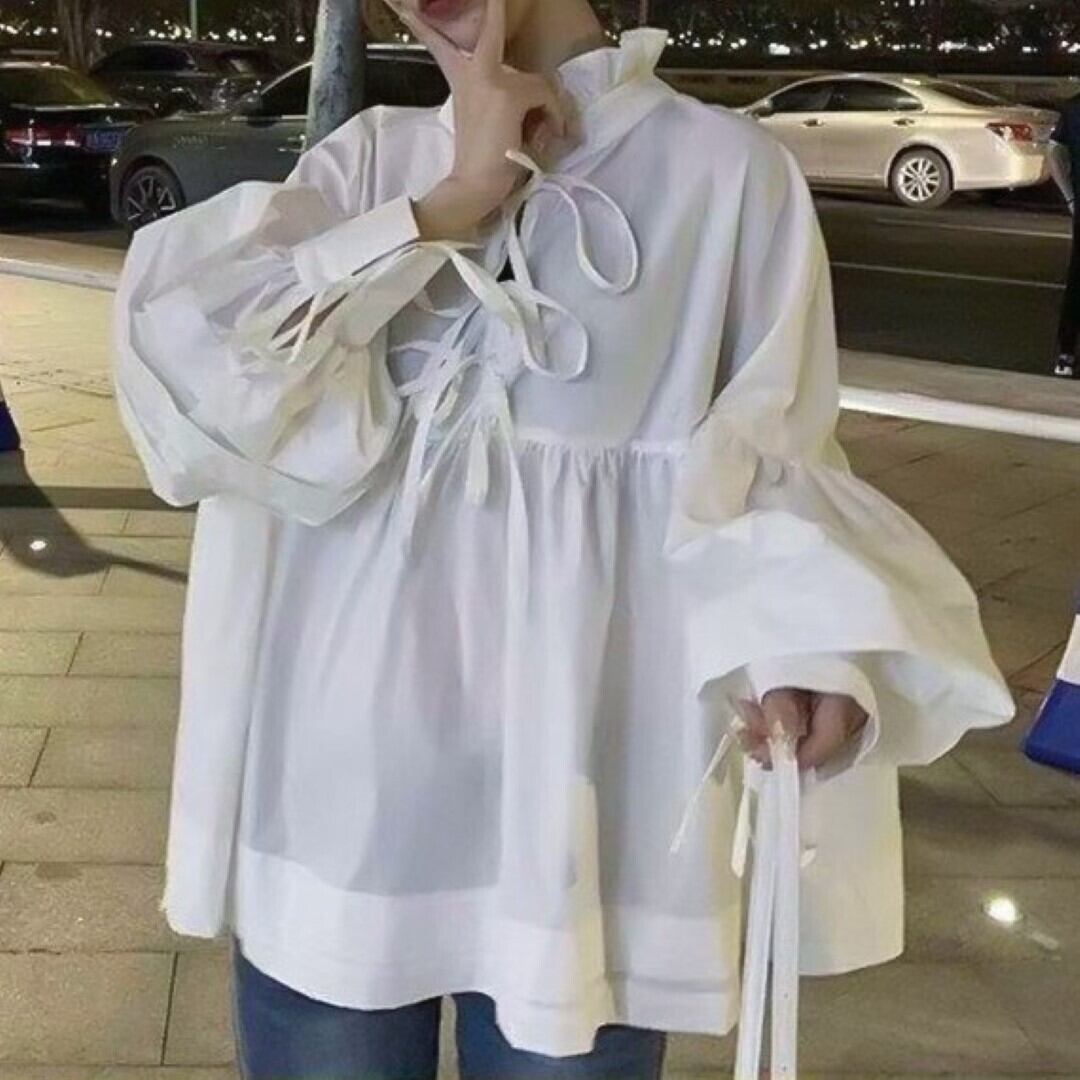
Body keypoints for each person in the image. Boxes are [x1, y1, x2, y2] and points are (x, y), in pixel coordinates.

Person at [112, 0, 1014, 1076]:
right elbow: (195, 402)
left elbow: (774, 451)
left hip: (586, 800)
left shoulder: (724, 175)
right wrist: (445, 205)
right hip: (336, 788)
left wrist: (800, 651)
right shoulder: (370, 162)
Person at [1051, 91, 1080, 378]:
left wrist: (1070, 198)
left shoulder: (1073, 108)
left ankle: (1066, 353)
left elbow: (1054, 152)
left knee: (1077, 281)